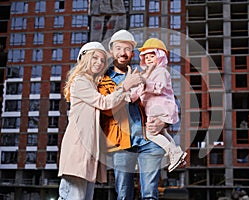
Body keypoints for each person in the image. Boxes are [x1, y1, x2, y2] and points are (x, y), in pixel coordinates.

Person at [58, 41, 143, 200]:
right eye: (95, 58)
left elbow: (110, 105)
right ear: (84, 59)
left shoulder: (92, 83)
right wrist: (125, 86)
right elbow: (104, 103)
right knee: (73, 196)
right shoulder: (81, 81)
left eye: (103, 60)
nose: (99, 62)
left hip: (89, 151)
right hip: (79, 150)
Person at [98, 30, 167, 199]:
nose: (123, 53)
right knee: (123, 195)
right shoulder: (102, 80)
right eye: (119, 48)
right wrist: (126, 86)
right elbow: (106, 109)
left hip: (149, 139)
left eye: (127, 49)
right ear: (111, 52)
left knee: (150, 194)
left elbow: (165, 100)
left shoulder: (145, 74)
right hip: (122, 143)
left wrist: (163, 122)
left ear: (133, 53)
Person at [130, 38, 186, 172]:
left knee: (150, 133)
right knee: (163, 132)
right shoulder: (146, 74)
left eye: (152, 56)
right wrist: (130, 95)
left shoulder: (161, 71)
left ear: (160, 57)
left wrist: (143, 82)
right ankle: (178, 155)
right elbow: (137, 91)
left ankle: (173, 153)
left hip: (160, 108)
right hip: (155, 110)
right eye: (146, 57)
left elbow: (159, 87)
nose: (149, 59)